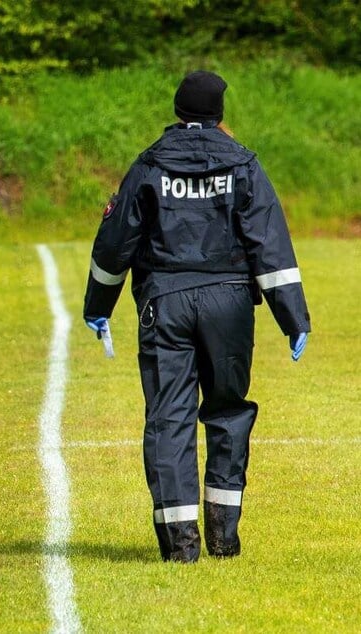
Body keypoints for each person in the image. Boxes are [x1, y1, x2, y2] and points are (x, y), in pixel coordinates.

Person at [82, 70, 311, 563]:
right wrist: (294, 318)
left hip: (163, 304)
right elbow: (269, 246)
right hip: (229, 306)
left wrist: (97, 308)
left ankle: (180, 547)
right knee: (227, 411)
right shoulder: (243, 163)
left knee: (169, 418)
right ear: (219, 114)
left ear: (178, 110)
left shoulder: (149, 165)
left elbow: (115, 242)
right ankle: (224, 540)